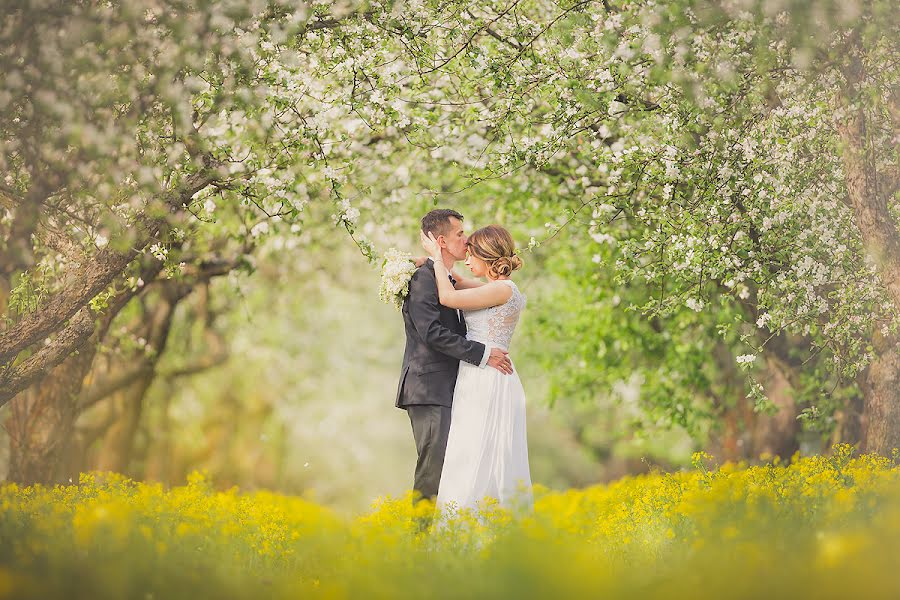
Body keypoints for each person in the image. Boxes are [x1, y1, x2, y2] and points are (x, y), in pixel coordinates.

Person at [395, 209, 513, 504]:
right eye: (460, 234)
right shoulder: (424, 279)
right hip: (429, 388)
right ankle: (419, 543)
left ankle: (444, 542)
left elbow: (467, 290)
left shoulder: (444, 277)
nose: (466, 239)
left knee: (452, 471)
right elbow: (431, 333)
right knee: (433, 469)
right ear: (442, 241)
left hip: (453, 387)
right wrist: (483, 353)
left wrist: (431, 262)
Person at [421, 224, 533, 514]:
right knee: (472, 448)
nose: (467, 260)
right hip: (481, 374)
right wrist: (426, 261)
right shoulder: (496, 288)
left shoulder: (501, 290)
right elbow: (454, 281)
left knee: (476, 450)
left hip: (487, 378)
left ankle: (472, 524)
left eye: (471, 254)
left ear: (488, 255)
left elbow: (448, 297)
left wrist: (435, 258)